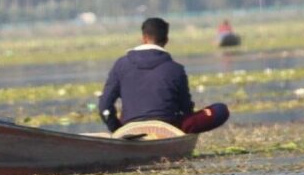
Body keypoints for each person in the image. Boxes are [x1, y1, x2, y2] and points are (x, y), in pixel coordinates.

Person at [98, 17, 229, 135]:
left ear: (143, 38)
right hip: (169, 128)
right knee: (220, 110)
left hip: (129, 129)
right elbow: (186, 108)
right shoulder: (176, 69)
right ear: (166, 40)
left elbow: (104, 106)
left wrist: (117, 130)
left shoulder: (121, 64)